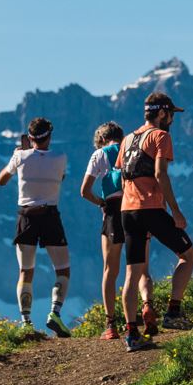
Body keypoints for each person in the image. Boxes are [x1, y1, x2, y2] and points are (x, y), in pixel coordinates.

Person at [116, 92, 193, 353]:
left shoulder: (127, 139)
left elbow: (122, 176)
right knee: (189, 255)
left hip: (127, 210)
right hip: (151, 208)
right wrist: (175, 211)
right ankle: (173, 312)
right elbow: (160, 173)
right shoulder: (161, 136)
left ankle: (132, 333)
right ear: (162, 113)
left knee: (132, 273)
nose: (172, 119)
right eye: (171, 114)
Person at [80, 121, 157, 339]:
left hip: (114, 211)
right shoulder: (132, 148)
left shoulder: (100, 155)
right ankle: (147, 306)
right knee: (142, 268)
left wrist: (101, 203)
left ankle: (111, 325)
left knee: (110, 270)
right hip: (137, 207)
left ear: (102, 139)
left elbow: (85, 191)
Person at [0, 117, 72, 337]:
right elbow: (60, 178)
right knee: (62, 269)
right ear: (49, 136)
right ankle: (55, 313)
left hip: (26, 217)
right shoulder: (60, 157)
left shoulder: (20, 156)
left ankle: (26, 322)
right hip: (50, 216)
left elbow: (1, 180)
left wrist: (18, 155)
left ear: (30, 137)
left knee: (25, 271)